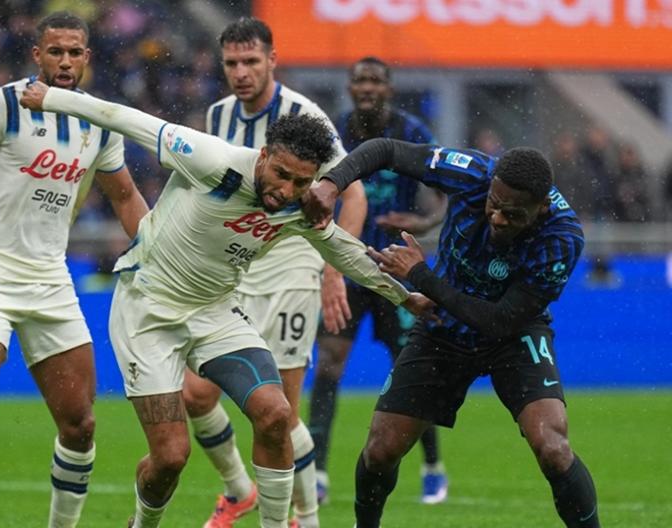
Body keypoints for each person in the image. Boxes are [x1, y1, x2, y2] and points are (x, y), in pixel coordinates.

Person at [20, 82, 435, 528]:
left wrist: (405, 295)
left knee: (276, 414)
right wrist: (52, 99)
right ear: (263, 156)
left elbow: (343, 251)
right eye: (281, 174)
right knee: (170, 458)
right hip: (147, 311)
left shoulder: (301, 205)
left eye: (300, 182)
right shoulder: (212, 160)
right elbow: (127, 119)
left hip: (215, 311)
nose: (286, 190)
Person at [0, 12, 148, 528]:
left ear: (87, 57)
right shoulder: (4, 104)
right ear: (37, 55)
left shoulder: (98, 120)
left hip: (50, 279)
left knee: (81, 425)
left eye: (74, 52)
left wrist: (160, 257)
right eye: (55, 51)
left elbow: (125, 195)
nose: (65, 61)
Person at [304, 138, 600, 527]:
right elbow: (387, 151)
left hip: (513, 335)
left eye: (513, 214)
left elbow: (500, 321)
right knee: (380, 450)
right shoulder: (472, 173)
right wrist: (332, 184)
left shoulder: (561, 238)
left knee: (553, 448)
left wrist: (420, 276)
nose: (498, 218)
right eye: (494, 204)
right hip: (442, 327)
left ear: (541, 208)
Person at [188, 18, 366, 528]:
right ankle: (239, 490)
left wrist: (334, 270)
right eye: (232, 63)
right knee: (195, 394)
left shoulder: (304, 117)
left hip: (291, 267)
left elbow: (352, 194)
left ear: (272, 60)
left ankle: (304, 518)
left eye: (251, 61)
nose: (241, 72)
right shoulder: (218, 114)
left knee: (280, 412)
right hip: (236, 268)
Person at [307, 56, 449, 506]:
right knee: (329, 364)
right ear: (350, 88)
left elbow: (447, 193)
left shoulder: (412, 133)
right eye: (360, 81)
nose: (367, 87)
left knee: (411, 367)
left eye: (375, 81)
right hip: (345, 264)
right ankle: (318, 472)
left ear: (389, 88)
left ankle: (432, 465)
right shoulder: (332, 132)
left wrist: (424, 223)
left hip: (397, 267)